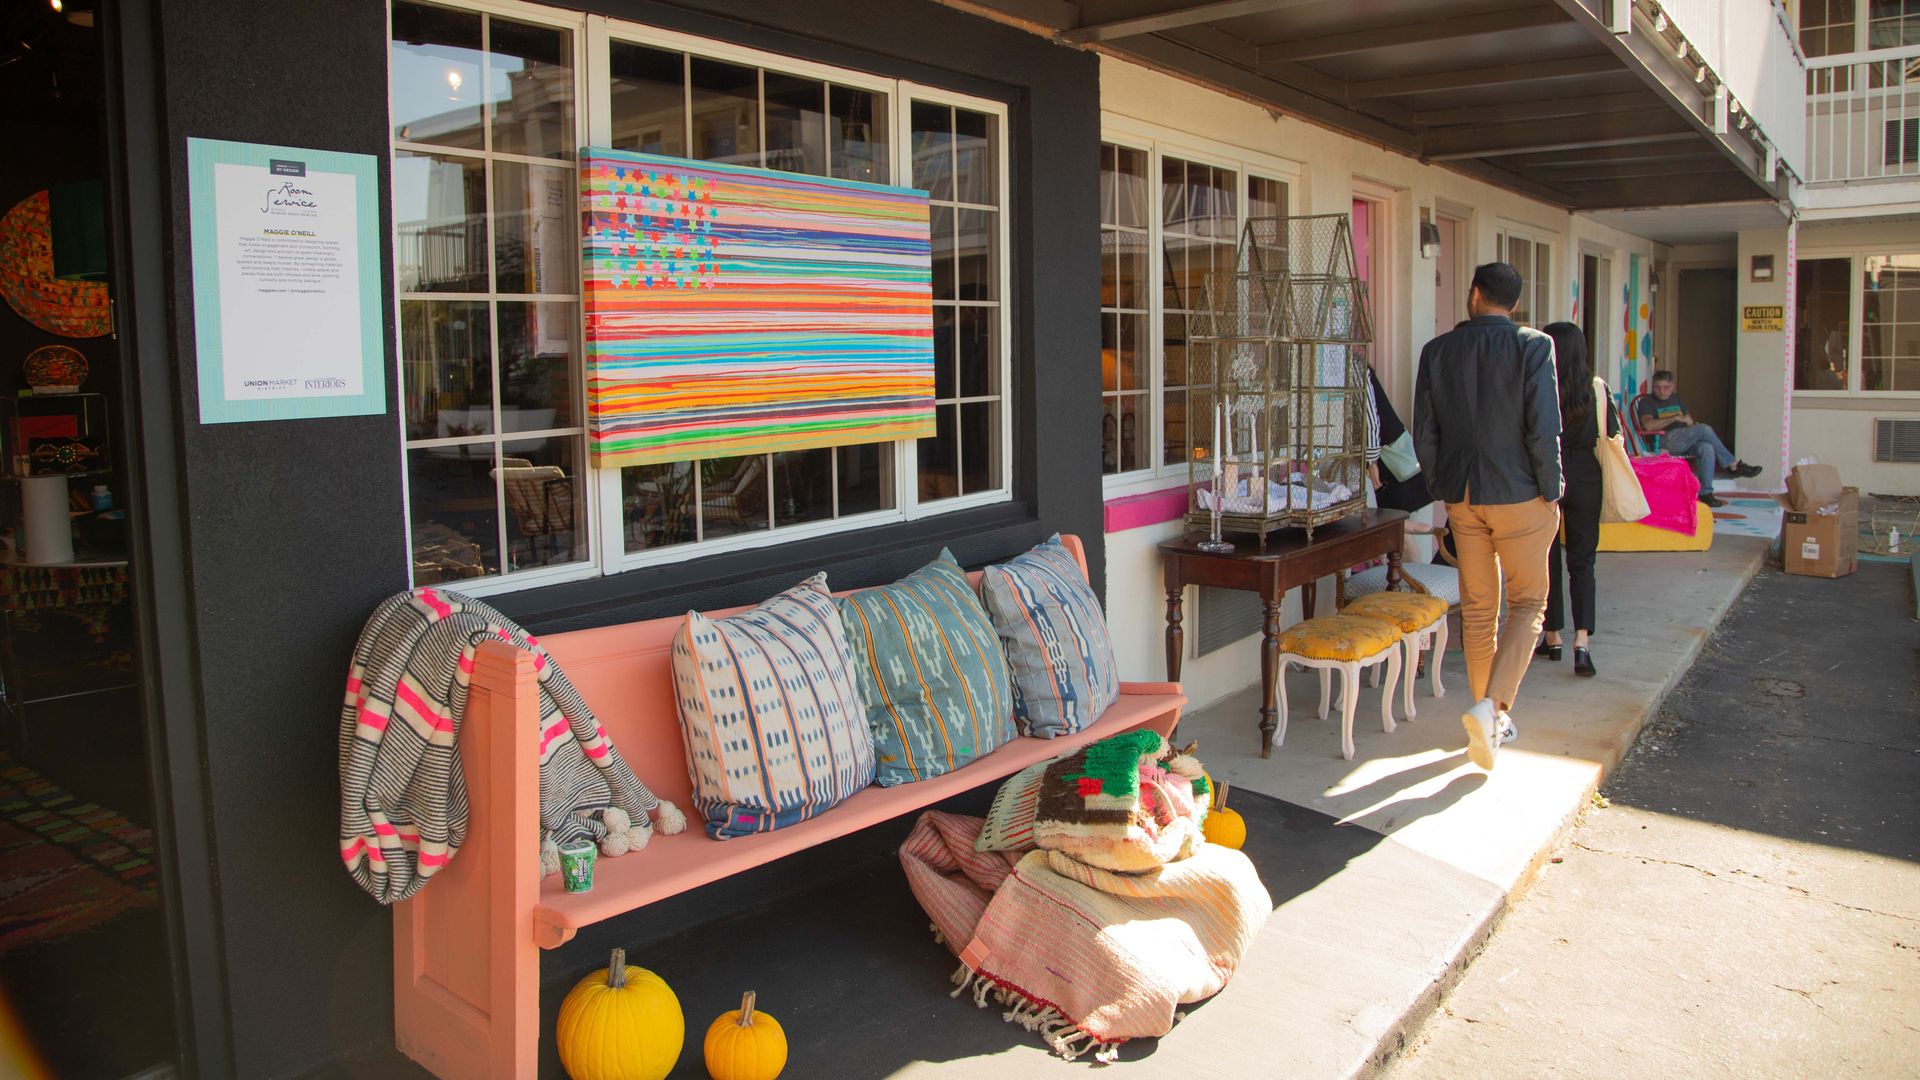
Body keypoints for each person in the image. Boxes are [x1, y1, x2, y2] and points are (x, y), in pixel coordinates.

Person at [1413, 262, 1562, 771]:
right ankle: (1493, 710)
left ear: (1475, 293)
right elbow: (1544, 428)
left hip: (1463, 495)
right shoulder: (1534, 346)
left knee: (1479, 611)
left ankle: (1487, 719)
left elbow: (1425, 431)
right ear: (1514, 303)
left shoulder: (1437, 350)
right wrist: (1552, 491)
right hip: (1520, 493)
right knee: (1528, 604)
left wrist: (1442, 487)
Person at [1537, 323, 1618, 679]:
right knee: (1583, 561)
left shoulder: (1541, 384)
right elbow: (1613, 434)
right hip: (1587, 476)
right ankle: (1581, 643)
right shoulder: (1597, 388)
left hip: (1549, 476)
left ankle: (1552, 635)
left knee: (1547, 558)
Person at [1634, 370, 1761, 507]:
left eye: (1666, 387)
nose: (1661, 391)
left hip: (1683, 440)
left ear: (1672, 386)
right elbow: (1648, 426)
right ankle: (1733, 465)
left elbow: (1689, 421)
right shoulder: (1647, 401)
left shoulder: (1676, 399)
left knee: (1707, 447)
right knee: (1704, 429)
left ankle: (1705, 493)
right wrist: (1674, 418)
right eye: (1657, 387)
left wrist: (1691, 424)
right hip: (1663, 441)